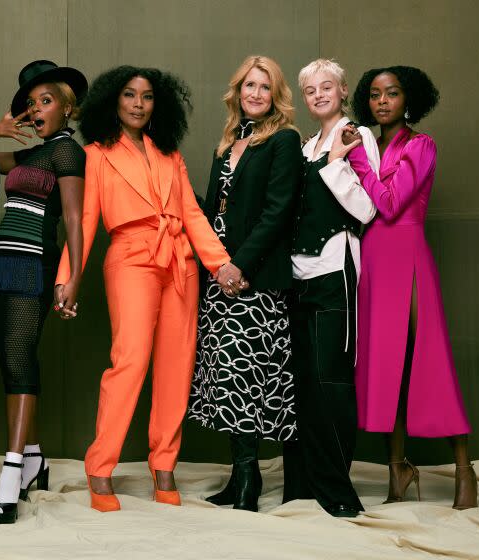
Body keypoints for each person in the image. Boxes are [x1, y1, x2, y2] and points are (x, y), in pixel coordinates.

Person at [56, 65, 234, 512]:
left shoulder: (169, 153)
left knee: (177, 366)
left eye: (148, 96)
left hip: (181, 261)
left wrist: (221, 264)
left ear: (159, 104)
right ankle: (100, 467)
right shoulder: (96, 153)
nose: (138, 104)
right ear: (113, 101)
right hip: (131, 257)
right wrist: (68, 278)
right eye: (130, 95)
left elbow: (192, 213)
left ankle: (165, 464)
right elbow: (87, 221)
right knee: (130, 361)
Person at [345, 65, 477, 509]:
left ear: (409, 100)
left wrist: (357, 161)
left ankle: (464, 469)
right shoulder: (364, 144)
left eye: (393, 94)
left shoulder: (421, 145)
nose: (383, 102)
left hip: (410, 257)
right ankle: (397, 471)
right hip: (373, 262)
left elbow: (389, 202)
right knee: (388, 369)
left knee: (429, 361)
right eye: (376, 94)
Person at [188, 55, 301, 512]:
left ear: (276, 95)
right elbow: (217, 207)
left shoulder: (284, 141)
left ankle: (250, 482)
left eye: (264, 86)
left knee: (248, 377)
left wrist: (240, 265)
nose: (255, 93)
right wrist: (216, 265)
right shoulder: (229, 142)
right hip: (220, 274)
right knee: (229, 378)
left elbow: (279, 213)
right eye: (248, 86)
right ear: (236, 92)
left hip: (253, 277)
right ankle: (240, 478)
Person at [0, 60, 88, 524]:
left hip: (32, 265)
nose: (37, 108)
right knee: (10, 360)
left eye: (46, 100)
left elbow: (75, 218)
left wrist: (74, 277)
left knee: (21, 358)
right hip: (0, 264)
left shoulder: (68, 152)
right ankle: (35, 458)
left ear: (68, 107)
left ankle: (11, 474)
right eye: (31, 103)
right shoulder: (27, 156)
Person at [282, 59, 379, 518]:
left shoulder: (358, 135)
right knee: (302, 383)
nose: (319, 95)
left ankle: (338, 489)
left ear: (342, 91)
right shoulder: (304, 145)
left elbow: (367, 209)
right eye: (310, 90)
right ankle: (303, 484)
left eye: (327, 87)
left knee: (331, 381)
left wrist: (337, 165)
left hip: (335, 268)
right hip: (298, 274)